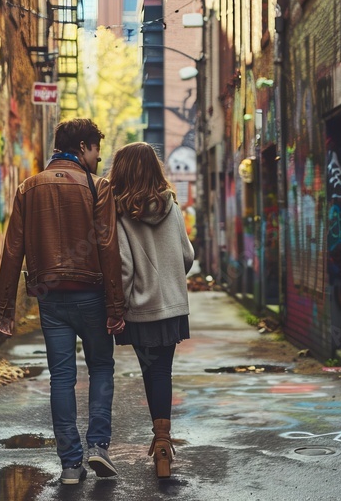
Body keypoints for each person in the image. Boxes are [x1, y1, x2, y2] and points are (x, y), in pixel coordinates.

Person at [0, 118, 126, 485]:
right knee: (101, 368)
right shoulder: (97, 186)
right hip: (93, 295)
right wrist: (116, 307)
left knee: (62, 379)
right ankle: (98, 446)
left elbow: (11, 252)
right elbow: (108, 248)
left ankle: (71, 464)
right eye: (97, 150)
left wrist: (5, 308)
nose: (99, 159)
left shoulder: (28, 187)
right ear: (83, 147)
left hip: (51, 300)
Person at [108, 142, 194, 478]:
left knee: (151, 372)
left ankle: (160, 445)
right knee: (163, 372)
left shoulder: (119, 210)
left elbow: (125, 266)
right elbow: (186, 255)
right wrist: (171, 282)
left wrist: (120, 305)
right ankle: (163, 443)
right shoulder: (170, 205)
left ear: (122, 170)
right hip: (171, 308)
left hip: (141, 309)